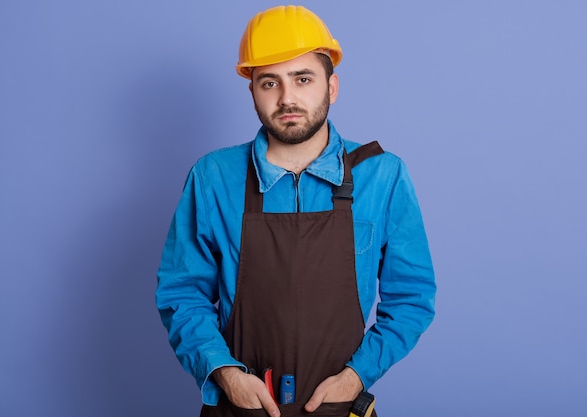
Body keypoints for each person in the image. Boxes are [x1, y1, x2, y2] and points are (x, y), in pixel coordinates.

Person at [156, 5, 436, 417]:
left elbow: (412, 297)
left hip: (339, 408)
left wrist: (357, 376)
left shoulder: (382, 176)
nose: (287, 98)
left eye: (303, 79)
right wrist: (226, 374)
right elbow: (182, 293)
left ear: (332, 86)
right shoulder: (213, 177)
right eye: (270, 82)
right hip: (241, 408)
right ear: (252, 90)